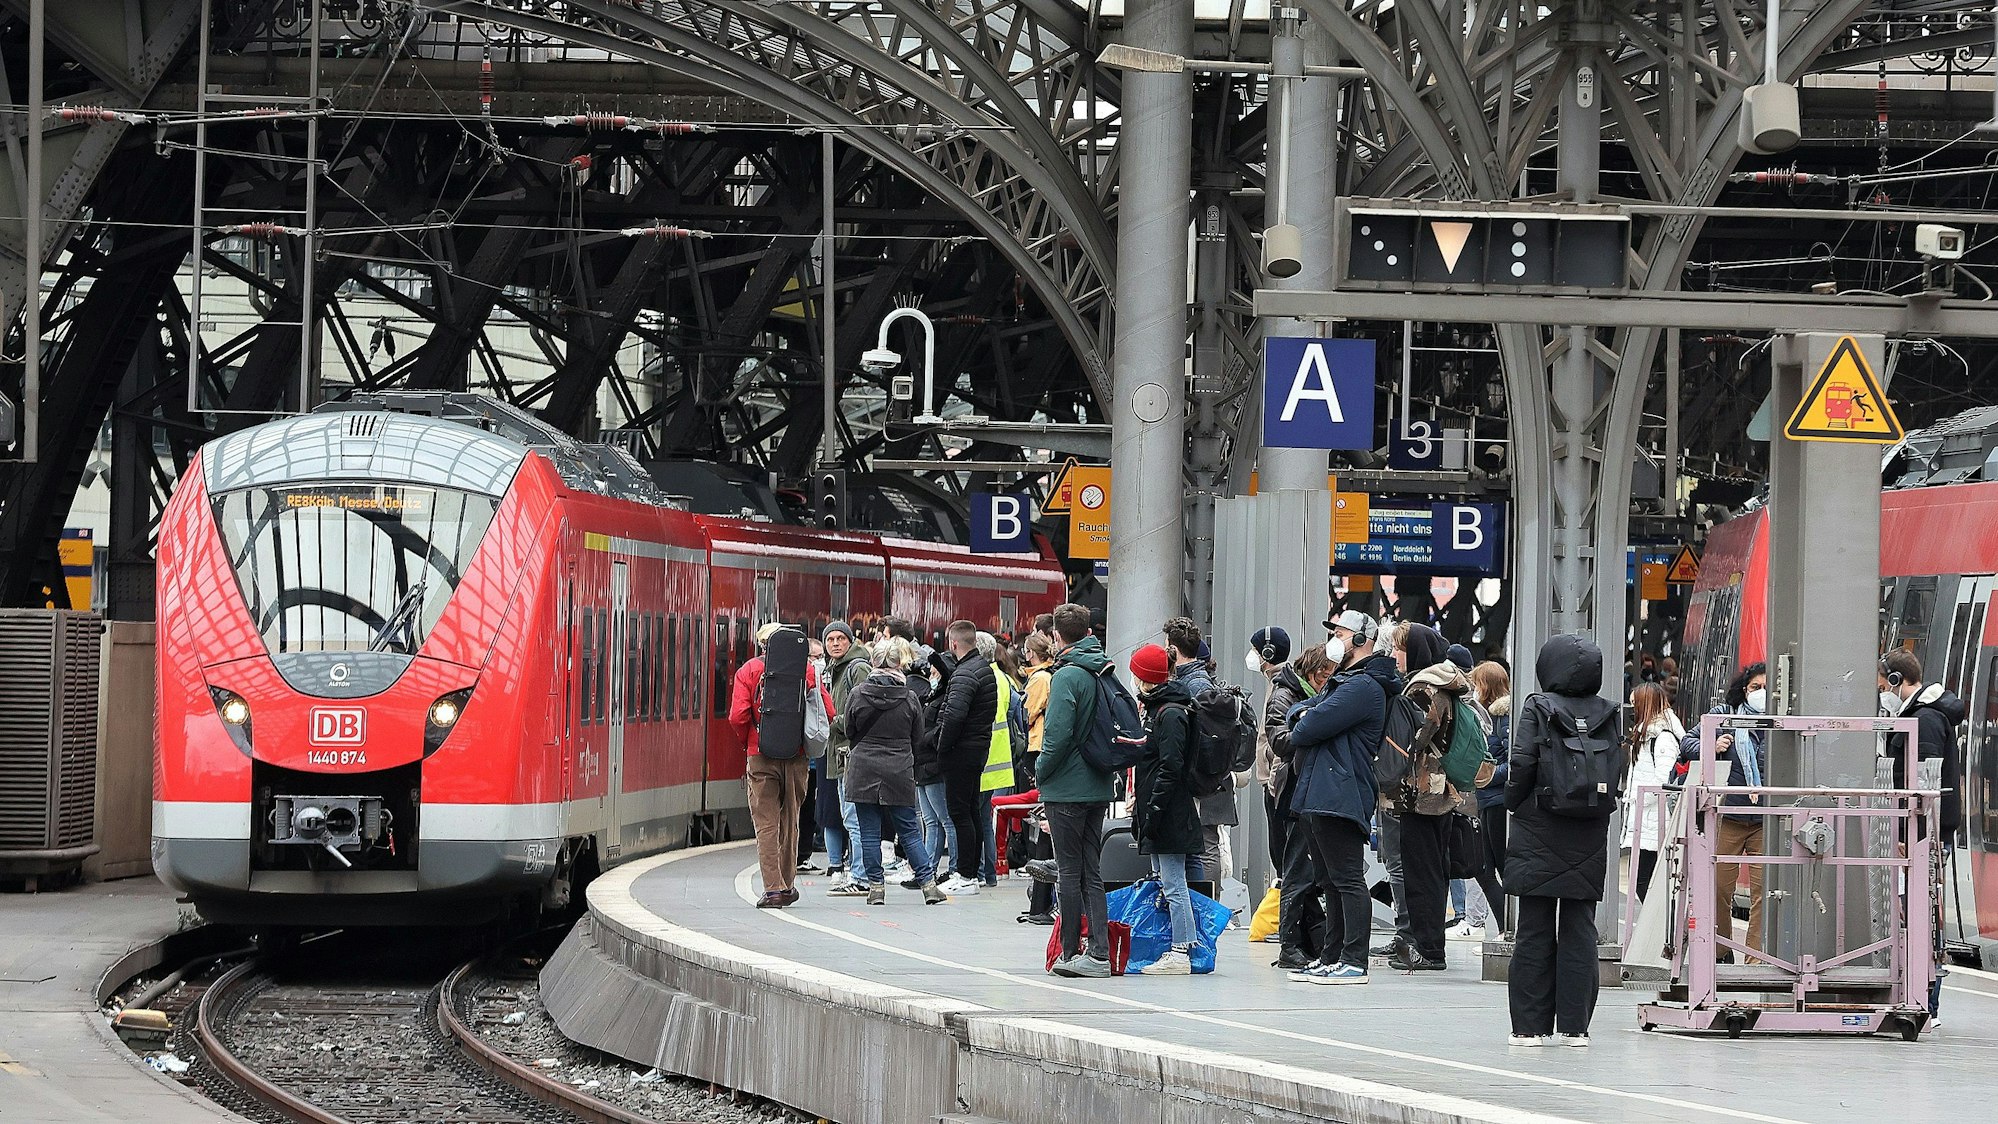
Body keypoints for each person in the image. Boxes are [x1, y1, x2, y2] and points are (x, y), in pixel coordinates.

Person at [1506, 634, 1621, 1046]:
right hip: (1589, 828)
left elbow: (1522, 762)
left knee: (1534, 928)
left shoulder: (1538, 706)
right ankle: (1576, 1028)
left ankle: (1529, 1029)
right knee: (1580, 929)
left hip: (1538, 826)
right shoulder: (1609, 712)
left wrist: (1512, 801)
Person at [1283, 610, 1399, 985]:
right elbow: (1304, 717)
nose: (1334, 638)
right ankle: (1332, 955)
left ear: (1363, 640)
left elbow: (1308, 725)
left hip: (1341, 792)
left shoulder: (1362, 686)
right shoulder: (1349, 682)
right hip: (1325, 791)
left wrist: (1304, 716)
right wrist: (1304, 715)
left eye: (1341, 633)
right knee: (1330, 880)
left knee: (1347, 878)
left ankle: (1354, 959)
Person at [1880, 649, 1965, 1024]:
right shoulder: (1917, 714)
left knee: (1923, 916)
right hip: (1916, 834)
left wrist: (1906, 832)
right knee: (1914, 913)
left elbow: (1922, 786)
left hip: (1921, 836)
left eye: (1884, 683)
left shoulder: (1925, 720)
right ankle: (1919, 996)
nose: (1882, 690)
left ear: (1897, 680)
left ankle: (1927, 1003)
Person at [1037, 602, 1117, 978]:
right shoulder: (1101, 667)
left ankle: (1070, 953)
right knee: (1091, 870)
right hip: (1098, 784)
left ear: (1056, 636)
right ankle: (1099, 951)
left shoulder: (1068, 676)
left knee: (1068, 872)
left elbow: (1056, 738)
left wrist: (1040, 773)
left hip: (1066, 789)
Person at [728, 622, 832, 909]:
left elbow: (737, 716)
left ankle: (772, 889)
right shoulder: (809, 671)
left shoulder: (748, 671)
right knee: (791, 822)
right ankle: (788, 885)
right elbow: (829, 712)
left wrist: (749, 741)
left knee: (766, 824)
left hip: (760, 755)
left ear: (763, 645)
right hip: (797, 756)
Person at [1385, 622, 1468, 971]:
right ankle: (1430, 944)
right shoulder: (1447, 685)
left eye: (1398, 649)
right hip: (1440, 790)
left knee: (1421, 873)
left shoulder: (1423, 687)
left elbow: (1414, 738)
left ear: (1414, 651)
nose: (1392, 655)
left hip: (1421, 793)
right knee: (1434, 870)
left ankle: (1427, 948)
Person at [842, 641, 950, 906]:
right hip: (899, 768)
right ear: (898, 665)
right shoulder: (910, 697)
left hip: (863, 767)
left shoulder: (857, 694)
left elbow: (849, 730)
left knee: (868, 832)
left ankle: (876, 888)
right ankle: (928, 886)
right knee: (910, 831)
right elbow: (917, 736)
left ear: (874, 663)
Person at [1677, 662, 1769, 956]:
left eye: (1767, 688)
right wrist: (1712, 745)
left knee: (1763, 893)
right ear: (1744, 690)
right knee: (1718, 889)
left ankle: (1756, 958)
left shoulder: (1779, 723)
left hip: (1765, 820)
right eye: (1756, 687)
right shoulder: (1723, 716)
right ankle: (1722, 951)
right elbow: (1686, 742)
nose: (1761, 693)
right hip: (1727, 816)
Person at [1258, 635, 1335, 970]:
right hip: (1291, 790)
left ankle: (1303, 941)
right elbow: (1280, 741)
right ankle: (1290, 944)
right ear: (1311, 670)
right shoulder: (1286, 695)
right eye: (1323, 675)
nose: (1326, 682)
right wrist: (1314, 725)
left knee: (1302, 868)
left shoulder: (1301, 693)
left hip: (1301, 787)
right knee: (1295, 869)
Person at [1129, 643, 1203, 976]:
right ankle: (1180, 944)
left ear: (1145, 679)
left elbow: (1171, 766)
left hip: (1169, 813)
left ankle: (1181, 950)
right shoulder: (1160, 709)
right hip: (1158, 810)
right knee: (1166, 880)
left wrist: (1155, 806)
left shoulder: (1171, 713)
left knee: (1174, 883)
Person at [1165, 616, 1236, 884]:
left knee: (1206, 845)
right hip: (1209, 775)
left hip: (1204, 776)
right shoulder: (1199, 680)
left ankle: (1205, 905)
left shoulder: (1194, 685)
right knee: (1204, 845)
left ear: (1173, 648)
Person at [934, 620, 997, 895]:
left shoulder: (963, 674)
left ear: (953, 643)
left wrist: (940, 745)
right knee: (972, 811)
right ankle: (975, 873)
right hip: (978, 749)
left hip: (960, 752)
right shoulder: (984, 669)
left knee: (960, 812)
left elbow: (954, 716)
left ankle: (966, 874)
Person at [821, 621, 872, 894]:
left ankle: (861, 877)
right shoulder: (834, 670)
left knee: (854, 819)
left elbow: (865, 709)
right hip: (839, 754)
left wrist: (835, 722)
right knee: (849, 817)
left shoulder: (857, 668)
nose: (836, 643)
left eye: (841, 638)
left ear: (850, 641)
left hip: (851, 754)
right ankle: (860, 874)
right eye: (830, 639)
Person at [1461, 661, 1511, 939]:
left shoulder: (1502, 717)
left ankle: (1509, 928)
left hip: (1497, 801)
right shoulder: (1486, 716)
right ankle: (1506, 927)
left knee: (1498, 866)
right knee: (1483, 867)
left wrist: (1488, 776)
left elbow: (1511, 760)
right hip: (1486, 800)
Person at [1624, 682, 1682, 902]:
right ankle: (1656, 932)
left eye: (1634, 705)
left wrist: (1637, 799)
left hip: (1654, 820)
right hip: (1647, 819)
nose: (1632, 711)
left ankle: (1657, 933)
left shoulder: (1662, 738)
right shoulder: (1648, 735)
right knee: (1642, 880)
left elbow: (1664, 780)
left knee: (1643, 881)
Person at [977, 631, 1018, 887]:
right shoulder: (1003, 678)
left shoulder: (983, 677)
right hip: (999, 756)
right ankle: (989, 871)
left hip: (984, 758)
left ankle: (982, 871)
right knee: (985, 820)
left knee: (979, 819)